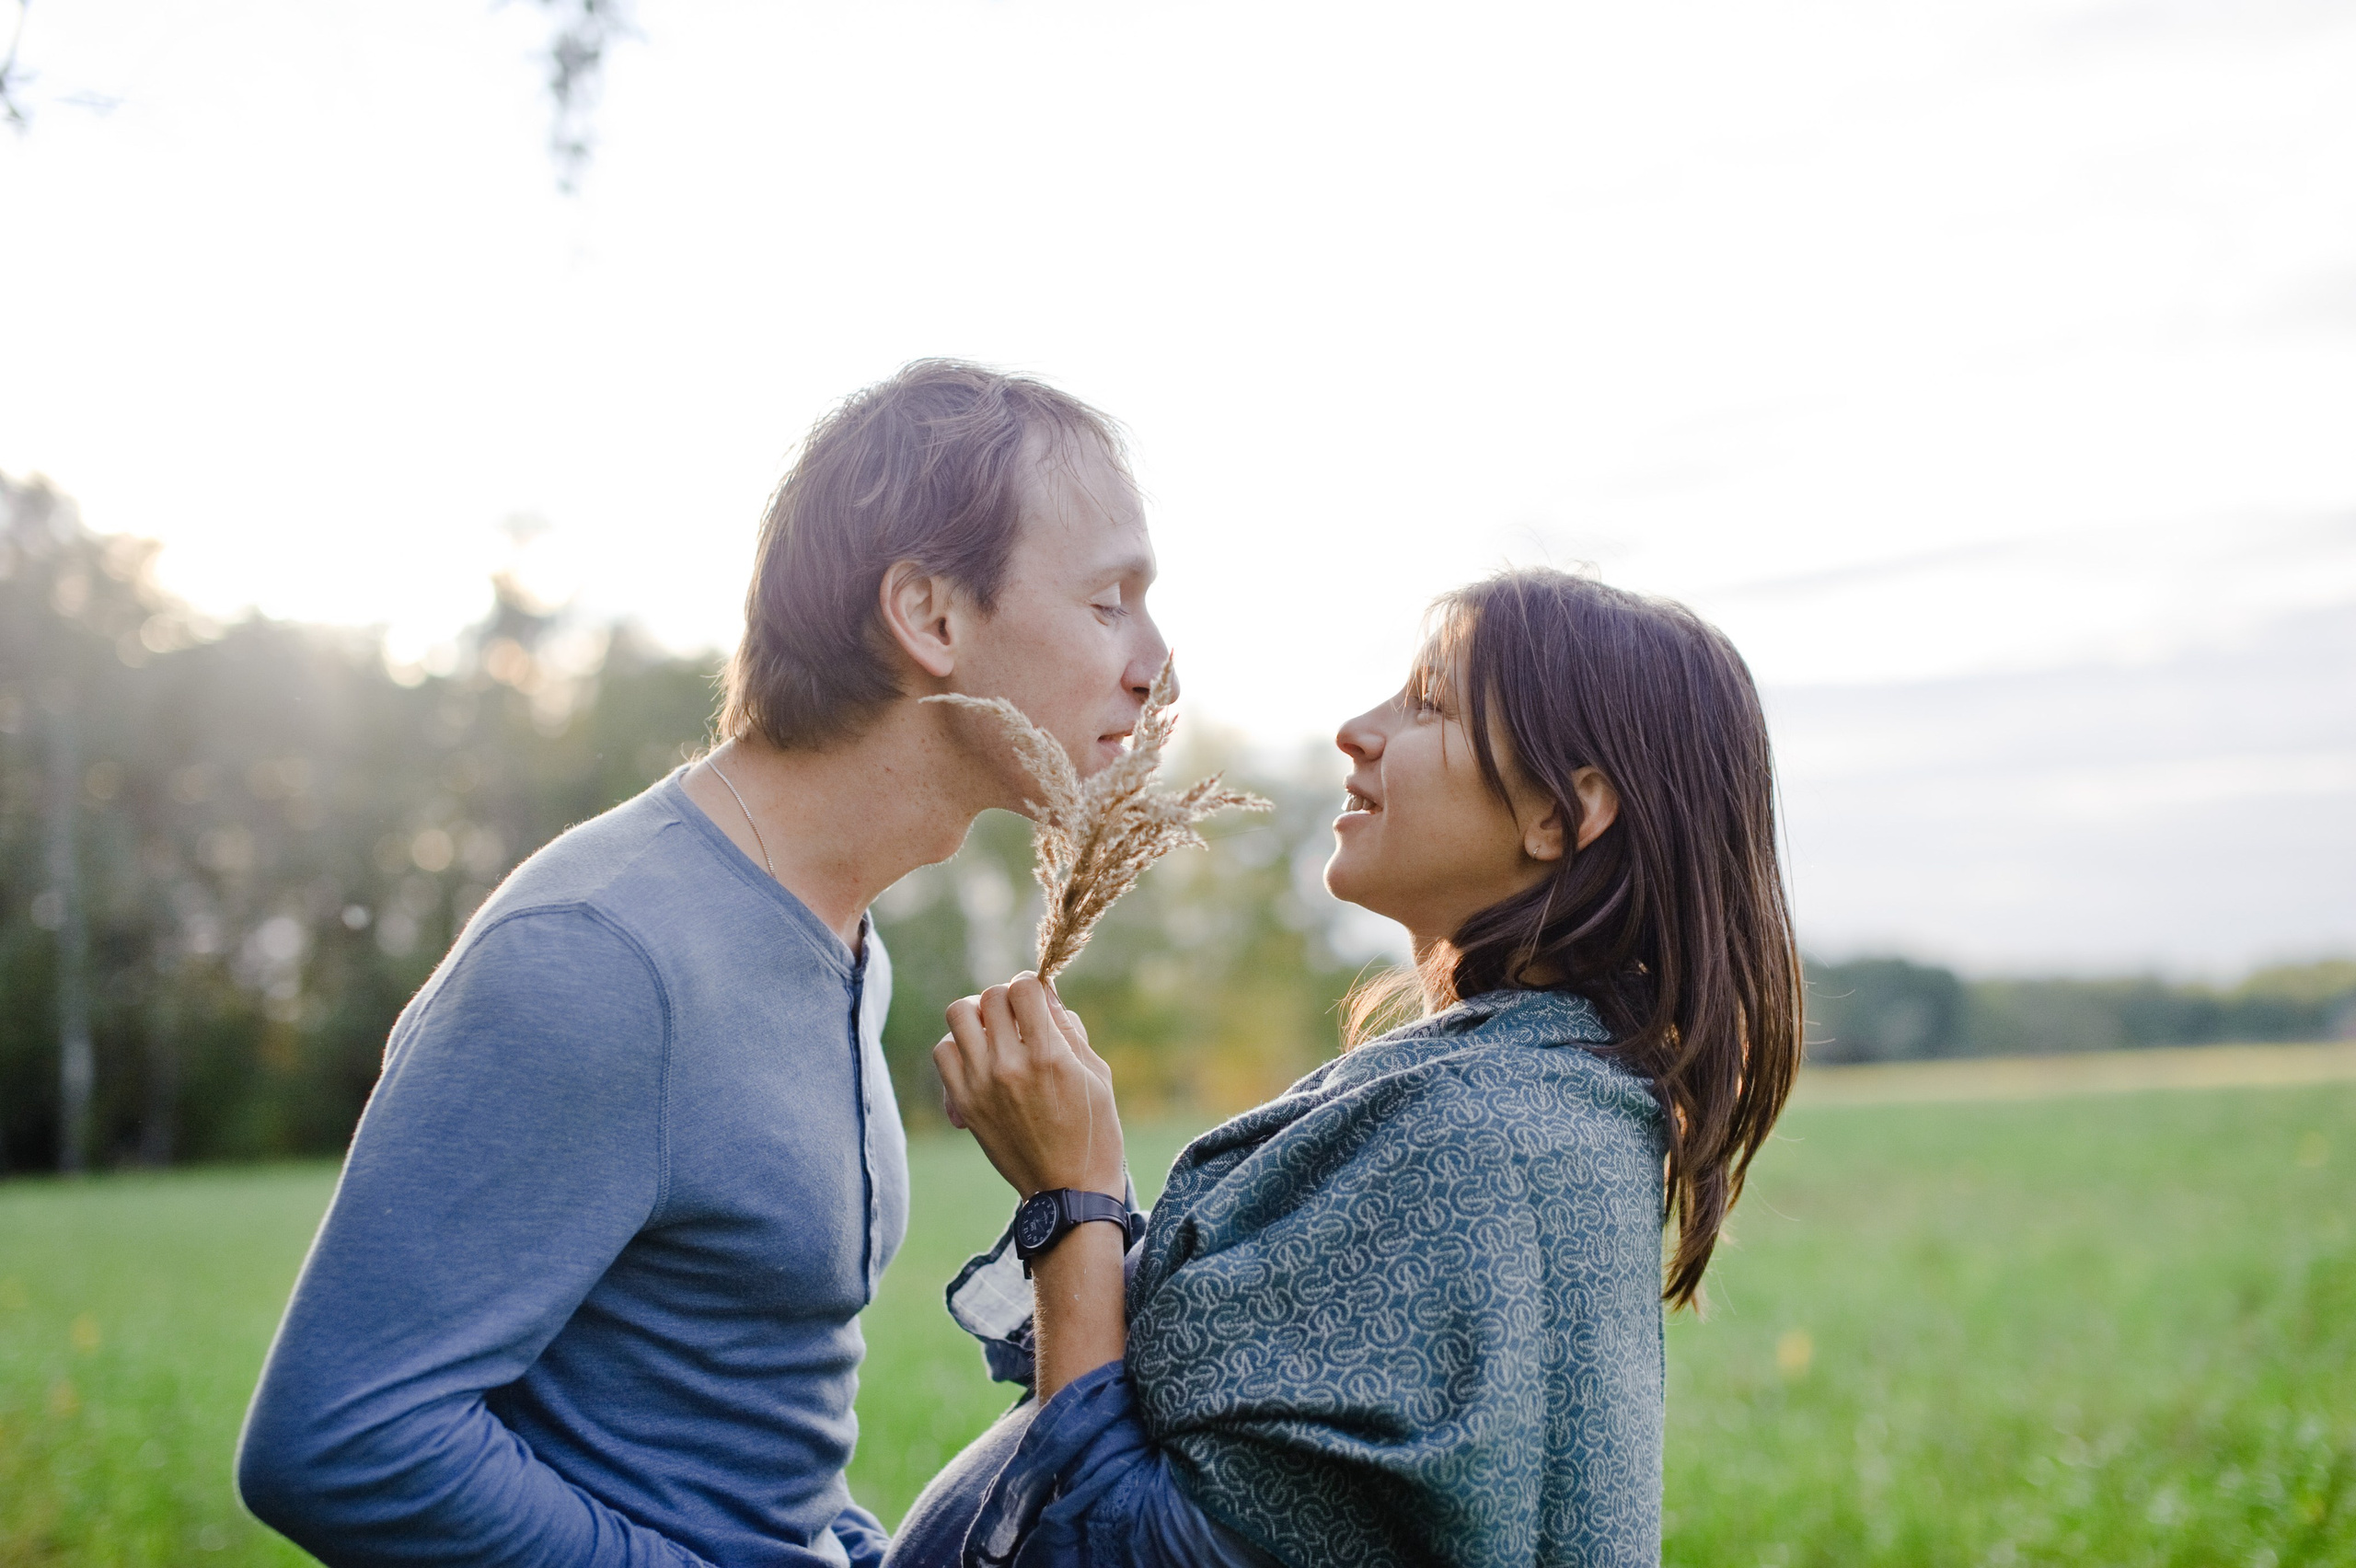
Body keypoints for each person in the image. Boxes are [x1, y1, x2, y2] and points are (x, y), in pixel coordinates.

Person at [236, 360, 1173, 1568]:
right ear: (930, 617)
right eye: (1111, 600)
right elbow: (342, 1441)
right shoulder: (602, 955)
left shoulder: (838, 932)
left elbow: (749, 1442)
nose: (1154, 662)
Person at [891, 568, 1804, 1568]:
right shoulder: (1530, 1097)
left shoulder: (1469, 1139)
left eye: (1429, 704)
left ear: (1560, 814)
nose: (1354, 730)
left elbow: (1121, 1550)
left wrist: (1070, 1206)